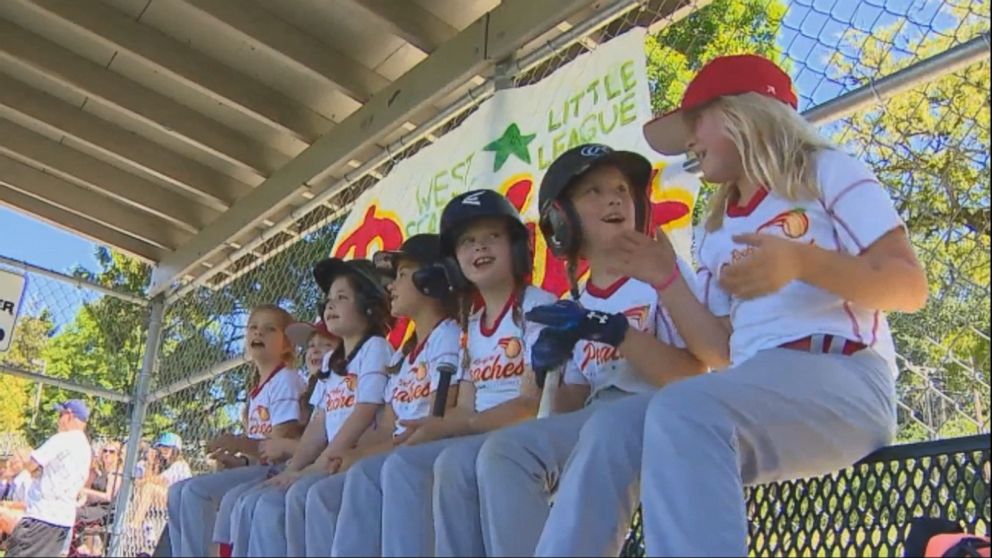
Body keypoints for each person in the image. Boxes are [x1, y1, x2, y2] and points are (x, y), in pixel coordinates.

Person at [535, 54, 929, 556]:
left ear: (747, 112)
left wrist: (802, 264)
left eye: (696, 122)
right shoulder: (715, 228)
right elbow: (719, 353)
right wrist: (666, 279)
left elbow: (908, 287)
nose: (690, 142)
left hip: (845, 376)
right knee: (613, 427)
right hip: (755, 388)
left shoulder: (824, 171)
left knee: (683, 409)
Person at [439, 144, 706, 556]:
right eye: (592, 192)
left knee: (603, 429)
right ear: (560, 221)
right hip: (598, 423)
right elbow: (569, 409)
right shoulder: (576, 304)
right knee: (506, 450)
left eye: (620, 188)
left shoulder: (659, 274)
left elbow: (692, 376)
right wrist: (549, 373)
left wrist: (616, 333)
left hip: (658, 414)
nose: (614, 197)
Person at [333, 189, 557, 557]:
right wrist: (429, 428)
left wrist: (450, 426)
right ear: (454, 263)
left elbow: (530, 405)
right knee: (408, 466)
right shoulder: (471, 324)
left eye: (492, 237)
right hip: (477, 438)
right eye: (467, 242)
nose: (479, 248)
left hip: (522, 439)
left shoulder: (538, 306)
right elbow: (466, 406)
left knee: (438, 463)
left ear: (517, 248)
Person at [302, 233, 461, 556]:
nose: (392, 286)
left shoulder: (448, 335)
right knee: (319, 493)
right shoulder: (404, 353)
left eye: (402, 275)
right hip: (395, 452)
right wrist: (347, 456)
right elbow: (387, 426)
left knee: (365, 475)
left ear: (432, 279)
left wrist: (358, 456)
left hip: (422, 454)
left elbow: (436, 422)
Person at [225, 259, 393, 556]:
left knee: (303, 494)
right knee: (255, 501)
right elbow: (318, 424)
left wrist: (321, 462)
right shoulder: (332, 361)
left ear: (369, 305)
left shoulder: (375, 348)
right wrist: (294, 467)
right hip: (330, 459)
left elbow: (365, 411)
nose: (331, 305)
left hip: (355, 459)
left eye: (342, 297)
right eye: (328, 299)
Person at [167, 304, 305, 557]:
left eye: (269, 329)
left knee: (195, 492)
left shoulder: (286, 379)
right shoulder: (259, 388)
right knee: (177, 491)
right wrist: (237, 460)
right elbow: (257, 455)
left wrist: (238, 442)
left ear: (287, 344)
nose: (258, 333)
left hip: (282, 469)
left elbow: (279, 447)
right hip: (261, 468)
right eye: (253, 327)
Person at [4, 400, 92, 557]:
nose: (58, 420)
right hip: (63, 520)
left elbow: (32, 464)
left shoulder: (64, 438)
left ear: (69, 416)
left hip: (42, 517)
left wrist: (27, 465)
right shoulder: (85, 447)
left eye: (60, 415)